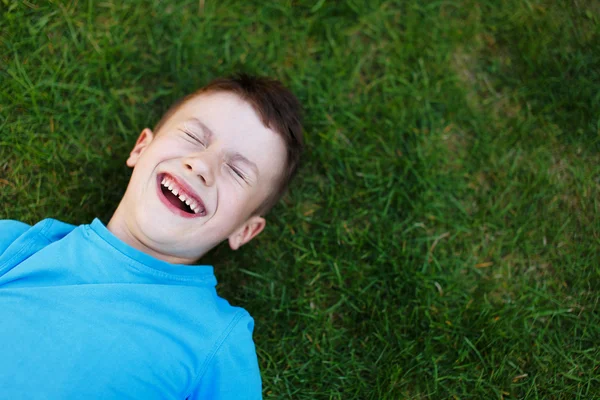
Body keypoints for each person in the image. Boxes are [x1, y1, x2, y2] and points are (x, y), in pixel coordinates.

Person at [0, 74, 304, 399]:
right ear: (141, 148)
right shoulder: (18, 245)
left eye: (238, 171)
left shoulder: (216, 340)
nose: (201, 164)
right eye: (193, 136)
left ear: (244, 230)